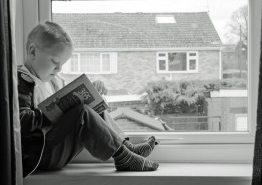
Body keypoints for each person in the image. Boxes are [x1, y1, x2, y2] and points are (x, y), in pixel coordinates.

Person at [18, 21, 159, 178]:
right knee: (81, 112)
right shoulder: (22, 80)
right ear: (32, 52)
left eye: (62, 64)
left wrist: (92, 89)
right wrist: (56, 110)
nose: (59, 69)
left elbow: (70, 99)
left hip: (54, 145)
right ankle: (123, 157)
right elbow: (21, 120)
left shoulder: (54, 79)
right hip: (40, 154)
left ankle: (126, 147)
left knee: (89, 105)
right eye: (55, 62)